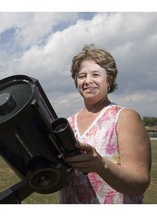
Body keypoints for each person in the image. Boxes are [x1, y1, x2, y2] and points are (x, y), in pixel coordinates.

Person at [59, 44, 151, 204]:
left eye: (95, 74)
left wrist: (101, 165)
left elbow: (139, 184)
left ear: (109, 79)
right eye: (81, 76)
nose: (87, 81)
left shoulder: (124, 117)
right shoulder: (67, 124)